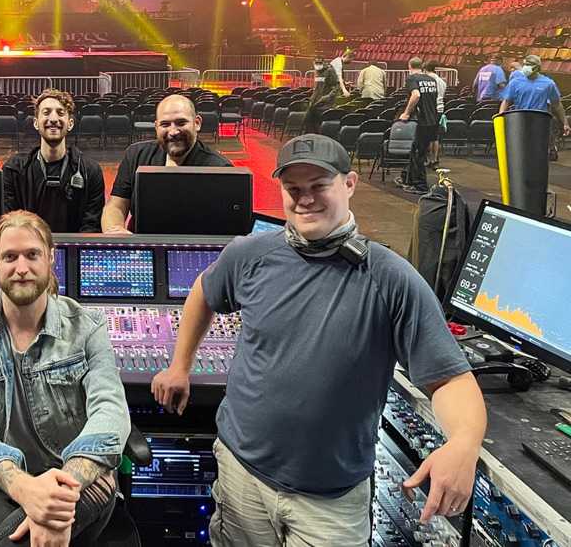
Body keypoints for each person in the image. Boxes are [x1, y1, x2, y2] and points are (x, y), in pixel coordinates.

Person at [152, 135, 485, 547]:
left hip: (331, 502)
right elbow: (204, 291)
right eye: (294, 190)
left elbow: (451, 380)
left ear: (349, 184)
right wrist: (180, 364)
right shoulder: (250, 255)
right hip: (242, 476)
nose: (304, 199)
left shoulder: (391, 278)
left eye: (318, 186)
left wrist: (464, 444)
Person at [0, 211, 131, 547]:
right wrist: (27, 490)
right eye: (9, 257)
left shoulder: (88, 328)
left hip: (74, 473)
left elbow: (110, 412)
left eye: (32, 254)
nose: (22, 268)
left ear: (50, 258)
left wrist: (55, 492)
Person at [101, 94, 231, 234]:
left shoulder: (220, 169)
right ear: (156, 127)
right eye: (165, 124)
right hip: (143, 250)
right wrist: (115, 233)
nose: (173, 132)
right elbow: (116, 206)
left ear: (197, 123)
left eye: (181, 123)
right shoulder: (136, 154)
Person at [2, 89, 105, 233]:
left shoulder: (90, 170)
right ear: (36, 123)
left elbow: (91, 226)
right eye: (46, 112)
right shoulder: (14, 169)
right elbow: (9, 222)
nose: (54, 118)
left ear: (70, 124)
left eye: (60, 113)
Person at [499, 55, 571, 160]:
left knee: (538, 153)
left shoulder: (548, 83)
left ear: (537, 67)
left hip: (541, 120)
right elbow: (506, 101)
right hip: (521, 120)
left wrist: (565, 123)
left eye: (529, 65)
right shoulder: (515, 82)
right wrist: (501, 117)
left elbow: (557, 104)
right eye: (525, 65)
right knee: (523, 152)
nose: (526, 67)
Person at [398, 57, 441, 195]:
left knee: (418, 154)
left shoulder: (412, 79)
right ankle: (408, 178)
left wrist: (406, 113)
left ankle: (420, 186)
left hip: (421, 121)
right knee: (417, 151)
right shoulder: (432, 79)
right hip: (433, 120)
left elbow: (416, 95)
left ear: (409, 66)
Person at [302, 59, 341, 135]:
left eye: (320, 63)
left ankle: (320, 137)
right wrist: (312, 98)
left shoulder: (330, 71)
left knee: (318, 122)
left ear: (323, 63)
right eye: (316, 63)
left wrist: (328, 96)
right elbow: (317, 87)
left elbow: (336, 86)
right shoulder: (316, 71)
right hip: (315, 101)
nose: (317, 65)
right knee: (308, 120)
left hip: (325, 103)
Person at [424, 60, 447, 167]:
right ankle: (435, 160)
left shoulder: (426, 80)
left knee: (427, 135)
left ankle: (429, 160)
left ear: (425, 69)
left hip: (430, 109)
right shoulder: (442, 81)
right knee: (435, 136)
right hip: (440, 109)